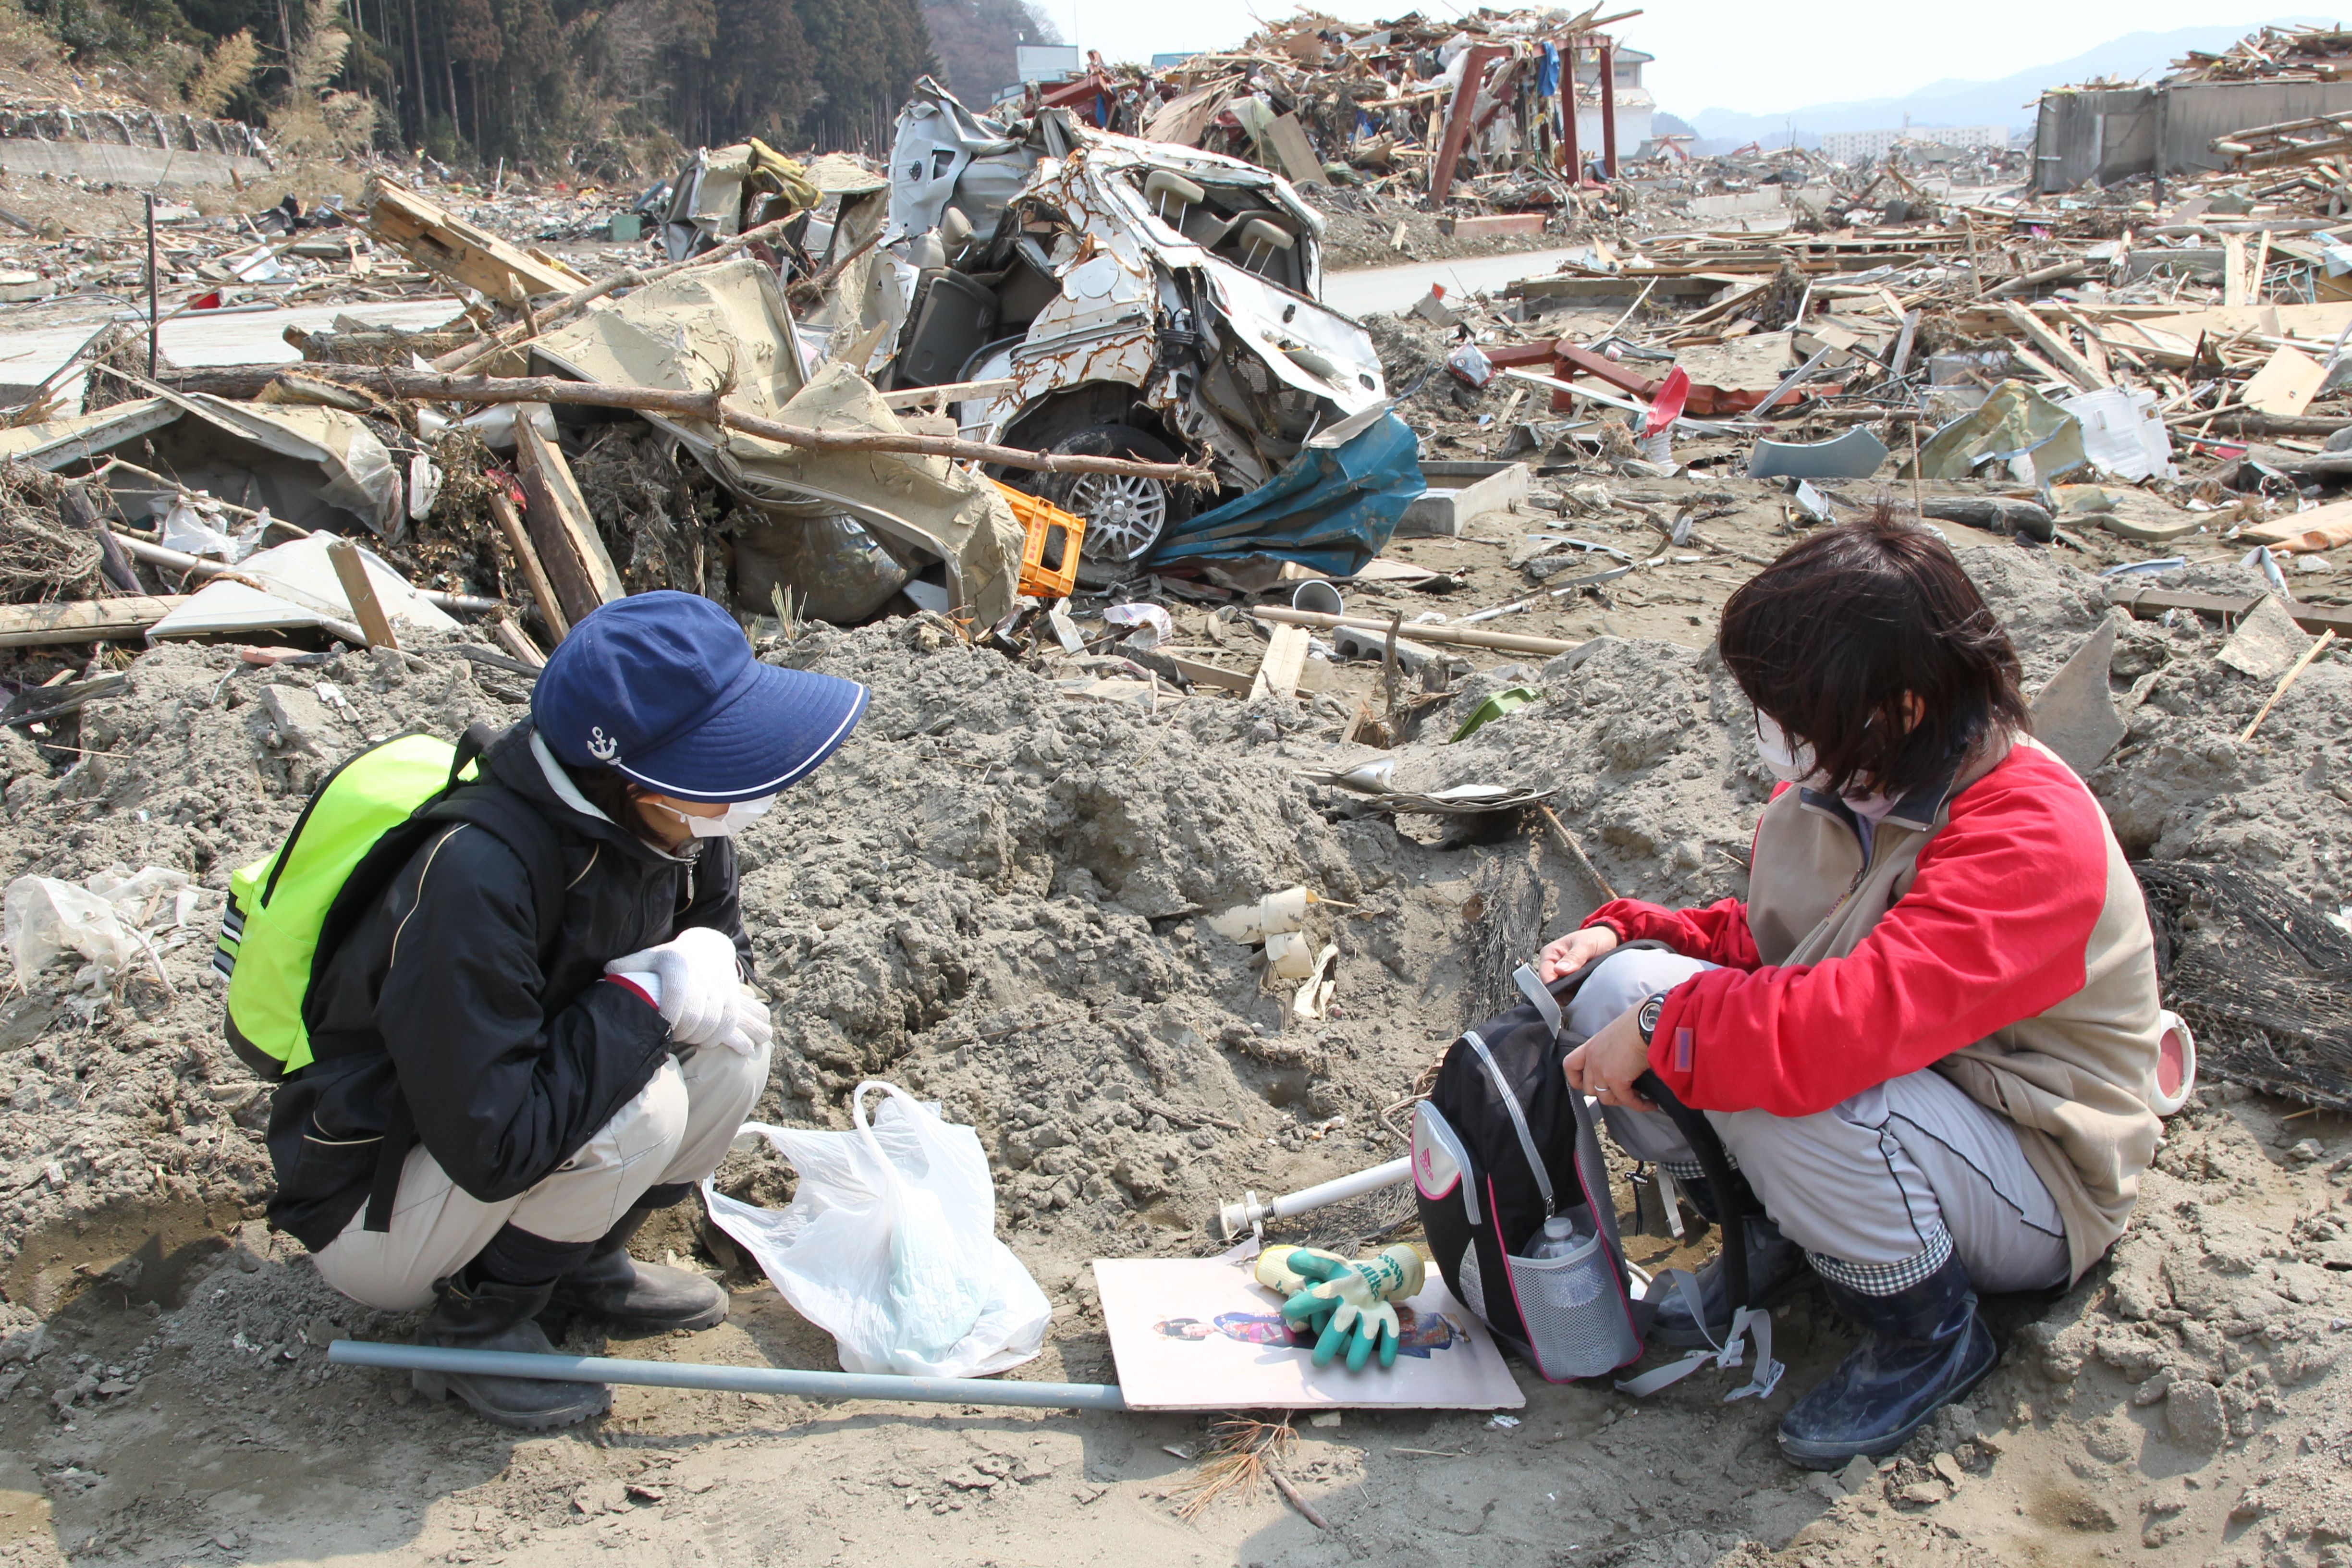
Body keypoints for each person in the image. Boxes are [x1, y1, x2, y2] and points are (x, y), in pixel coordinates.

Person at [1534, 516, 2162, 1469]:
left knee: (1776, 1076)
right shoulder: (1851, 790)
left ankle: (1929, 1335)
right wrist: (1630, 934)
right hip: (1914, 1107)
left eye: (1796, 715)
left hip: (2034, 1166)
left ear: (1902, 708)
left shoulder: (2030, 836)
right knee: (1618, 990)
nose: (1778, 737)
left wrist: (1665, 1026)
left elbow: (1844, 1026)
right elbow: (1780, 945)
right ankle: (1773, 1241)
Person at [262, 592, 867, 1431]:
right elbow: (494, 1145)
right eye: (721, 752)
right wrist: (644, 999)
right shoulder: (477, 875)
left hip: (509, 1129)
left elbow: (722, 953)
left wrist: (706, 960)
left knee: (736, 1046)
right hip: (382, 1203)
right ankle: (479, 1324)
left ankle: (577, 1263)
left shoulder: (677, 825)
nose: (752, 785)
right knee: (644, 1108)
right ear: (635, 780)